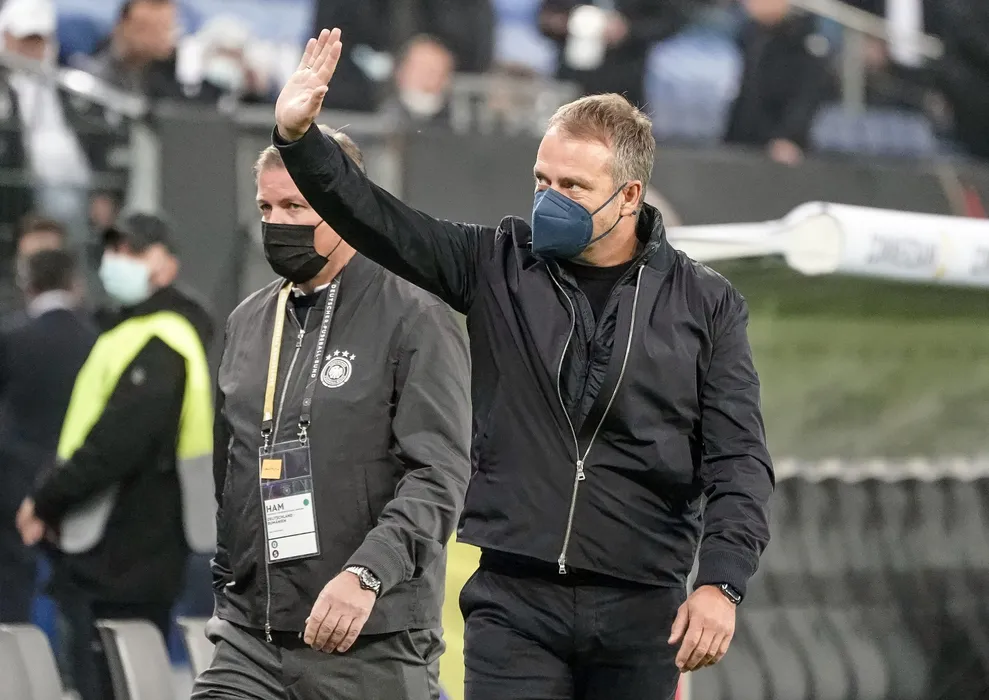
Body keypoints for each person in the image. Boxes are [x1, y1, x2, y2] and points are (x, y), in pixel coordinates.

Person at [271, 28, 775, 699]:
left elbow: (739, 461)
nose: (548, 198)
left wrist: (720, 583)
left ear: (629, 196)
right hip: (514, 602)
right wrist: (300, 140)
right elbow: (379, 220)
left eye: (572, 185)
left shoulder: (706, 304)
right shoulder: (495, 265)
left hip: (643, 607)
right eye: (542, 179)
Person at [190, 126, 471, 700]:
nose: (277, 223)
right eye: (266, 207)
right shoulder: (249, 322)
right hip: (253, 637)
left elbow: (439, 473)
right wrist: (229, 579)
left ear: (346, 201)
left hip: (369, 637)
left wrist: (369, 573)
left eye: (296, 206)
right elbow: (232, 467)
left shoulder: (415, 313)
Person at [15, 212, 215, 700]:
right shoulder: (126, 332)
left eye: (134, 251)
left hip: (124, 550)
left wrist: (47, 499)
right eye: (113, 251)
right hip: (115, 545)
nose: (118, 261)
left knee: (111, 681)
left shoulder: (161, 338)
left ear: (167, 264)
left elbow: (115, 443)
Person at [0, 249, 96, 623]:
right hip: (78, 483)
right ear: (74, 284)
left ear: (27, 285)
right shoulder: (97, 341)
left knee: (14, 591)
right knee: (75, 596)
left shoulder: (11, 339)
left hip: (15, 480)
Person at [723, 0, 832, 166]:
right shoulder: (750, 34)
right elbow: (747, 90)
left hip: (784, 145)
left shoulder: (806, 41)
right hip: (743, 139)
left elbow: (807, 96)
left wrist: (788, 136)